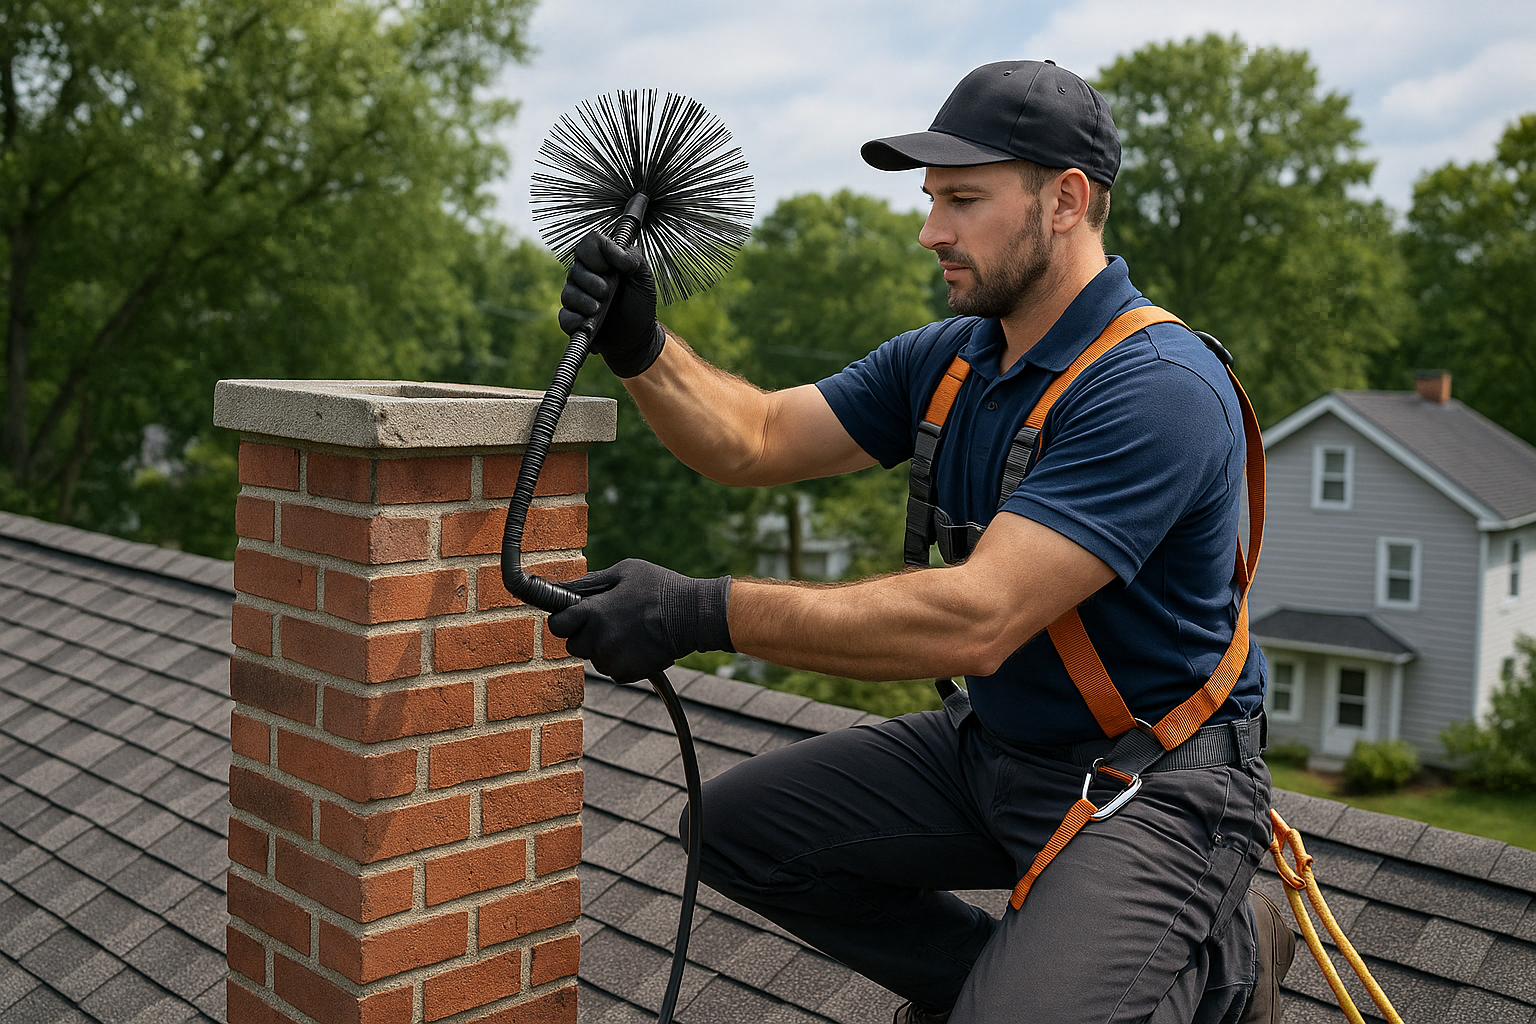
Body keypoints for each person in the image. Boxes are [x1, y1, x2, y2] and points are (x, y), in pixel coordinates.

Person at [550, 60, 1283, 1024]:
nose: (931, 230)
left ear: (1066, 201)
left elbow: (979, 619)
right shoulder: (952, 359)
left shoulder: (1156, 388)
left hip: (1156, 782)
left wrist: (699, 610)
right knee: (734, 830)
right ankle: (1004, 986)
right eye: (932, 199)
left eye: (963, 200)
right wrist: (643, 348)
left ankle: (1222, 969)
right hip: (993, 750)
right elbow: (756, 437)